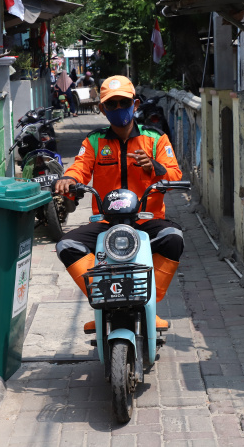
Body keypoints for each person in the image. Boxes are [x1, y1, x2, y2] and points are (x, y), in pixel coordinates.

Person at [53, 75, 183, 331]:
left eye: (123, 102)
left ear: (134, 104)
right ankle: (102, 301)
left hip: (147, 219)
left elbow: (174, 174)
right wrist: (68, 179)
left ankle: (149, 306)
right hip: (106, 221)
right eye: (110, 105)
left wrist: (155, 167)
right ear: (102, 109)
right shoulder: (94, 141)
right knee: (67, 245)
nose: (117, 109)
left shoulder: (155, 138)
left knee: (173, 237)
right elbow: (80, 167)